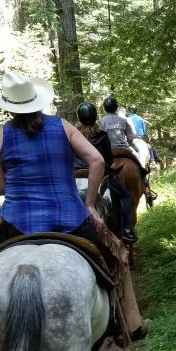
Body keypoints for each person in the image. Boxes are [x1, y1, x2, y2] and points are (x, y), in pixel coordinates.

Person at [0, 72, 149, 348]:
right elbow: (96, 161)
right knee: (117, 254)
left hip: (16, 221)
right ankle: (129, 323)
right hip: (68, 217)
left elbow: (1, 189)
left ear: (8, 106)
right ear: (38, 101)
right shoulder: (63, 126)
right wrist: (89, 203)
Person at [74, 102, 135, 244]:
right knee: (126, 195)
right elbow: (108, 159)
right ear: (95, 117)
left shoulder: (73, 135)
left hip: (75, 174)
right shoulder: (101, 135)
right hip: (99, 175)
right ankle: (126, 229)